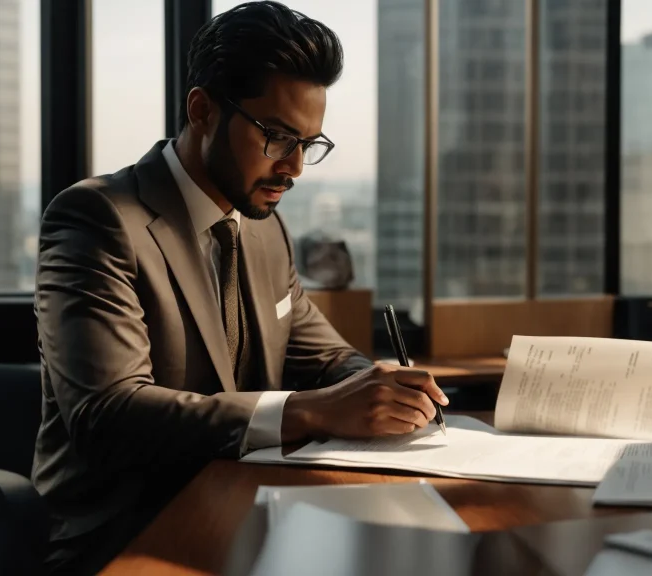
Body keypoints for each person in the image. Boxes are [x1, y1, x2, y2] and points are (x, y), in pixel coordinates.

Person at [32, 2, 448, 573]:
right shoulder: (97, 218)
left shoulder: (262, 227)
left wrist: (378, 389)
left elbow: (322, 355)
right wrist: (311, 412)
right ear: (202, 110)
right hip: (124, 535)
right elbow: (110, 415)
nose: (296, 167)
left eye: (310, 144)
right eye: (278, 137)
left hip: (246, 506)